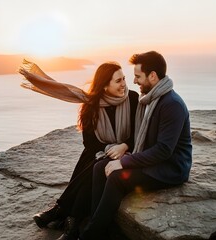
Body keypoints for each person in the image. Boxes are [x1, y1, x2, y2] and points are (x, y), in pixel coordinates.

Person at [19, 60, 139, 240]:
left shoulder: (133, 99)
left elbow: (140, 132)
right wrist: (108, 148)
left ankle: (64, 214)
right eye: (118, 80)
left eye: (124, 78)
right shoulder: (91, 104)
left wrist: (124, 146)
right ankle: (70, 219)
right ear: (105, 85)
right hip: (101, 151)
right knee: (92, 163)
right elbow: (90, 143)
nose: (124, 84)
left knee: (94, 167)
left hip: (127, 152)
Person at [79, 51, 192, 240]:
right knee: (100, 167)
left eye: (138, 76)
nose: (134, 81)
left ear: (153, 76)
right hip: (153, 160)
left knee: (116, 177)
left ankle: (91, 235)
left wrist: (125, 162)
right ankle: (98, 224)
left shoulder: (171, 104)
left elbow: (164, 150)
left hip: (170, 169)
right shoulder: (154, 98)